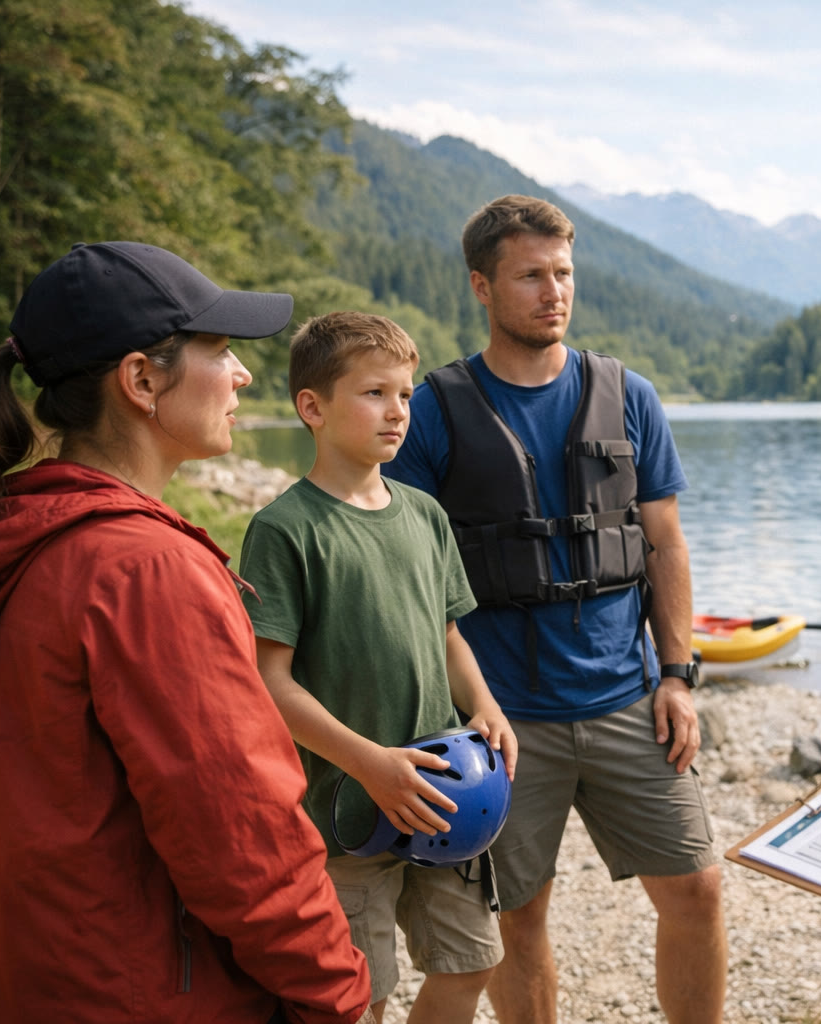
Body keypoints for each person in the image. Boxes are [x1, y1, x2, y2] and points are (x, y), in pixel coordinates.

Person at [0, 242, 374, 1023]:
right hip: (144, 998)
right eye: (220, 351)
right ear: (141, 380)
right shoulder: (143, 572)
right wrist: (336, 994)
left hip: (8, 981)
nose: (242, 374)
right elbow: (243, 838)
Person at [382, 194, 726, 1024]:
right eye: (530, 275)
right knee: (517, 917)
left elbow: (665, 545)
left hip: (628, 700)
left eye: (563, 273)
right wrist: (459, 707)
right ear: (481, 285)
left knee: (697, 889)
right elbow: (412, 573)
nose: (553, 291)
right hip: (503, 720)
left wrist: (677, 676)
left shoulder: (628, 394)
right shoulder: (432, 409)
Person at [238, 311, 519, 1024]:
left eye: (404, 395)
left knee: (472, 961)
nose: (397, 411)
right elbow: (272, 683)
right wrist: (369, 764)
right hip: (350, 810)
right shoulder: (284, 529)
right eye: (373, 394)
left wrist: (484, 705)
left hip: (448, 798)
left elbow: (449, 632)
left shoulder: (425, 514)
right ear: (313, 407)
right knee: (362, 992)